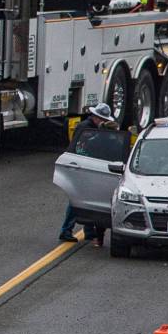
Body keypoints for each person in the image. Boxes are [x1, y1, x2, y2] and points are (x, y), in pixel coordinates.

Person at [58, 102, 118, 247]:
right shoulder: (85, 128)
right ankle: (66, 231)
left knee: (89, 202)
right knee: (77, 201)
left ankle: (89, 232)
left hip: (88, 169)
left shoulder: (95, 129)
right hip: (81, 169)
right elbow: (79, 148)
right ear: (97, 118)